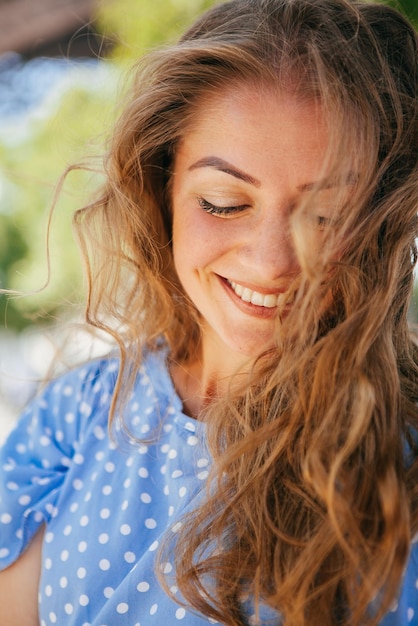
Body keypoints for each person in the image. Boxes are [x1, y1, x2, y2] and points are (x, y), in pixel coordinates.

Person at [1, 0, 417, 624]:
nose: (273, 262)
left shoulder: (400, 459)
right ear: (161, 190)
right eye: (223, 203)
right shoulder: (78, 415)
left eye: (328, 216)